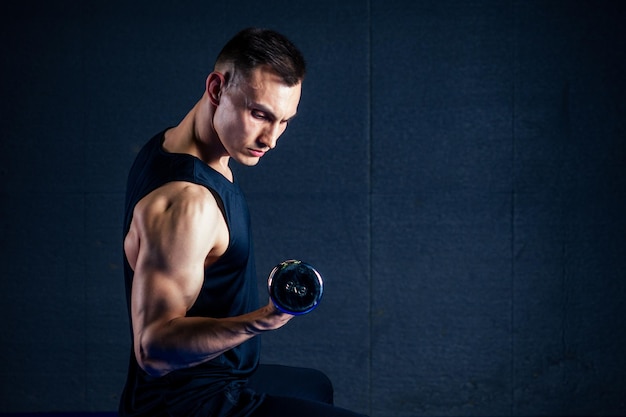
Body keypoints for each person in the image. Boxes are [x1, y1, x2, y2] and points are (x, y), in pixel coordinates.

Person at [119, 27, 368, 417]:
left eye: (284, 121)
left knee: (315, 385)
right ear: (217, 89)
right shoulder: (187, 204)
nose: (272, 138)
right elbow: (152, 351)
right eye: (260, 114)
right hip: (190, 404)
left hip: (223, 375)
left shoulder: (177, 144)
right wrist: (264, 319)